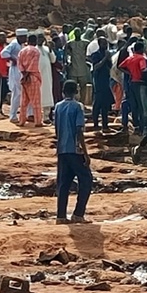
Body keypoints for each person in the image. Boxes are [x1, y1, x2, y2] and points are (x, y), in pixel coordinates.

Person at [54, 81, 92, 224]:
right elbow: (79, 131)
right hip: (75, 150)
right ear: (76, 91)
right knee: (86, 180)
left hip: (62, 149)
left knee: (64, 183)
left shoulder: (58, 106)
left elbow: (56, 129)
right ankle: (78, 213)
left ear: (63, 91)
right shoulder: (78, 107)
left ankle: (61, 216)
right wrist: (85, 153)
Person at [120, 42, 147, 134]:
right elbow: (143, 69)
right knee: (141, 106)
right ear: (141, 49)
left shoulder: (130, 58)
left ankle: (136, 125)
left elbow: (120, 66)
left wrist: (129, 73)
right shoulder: (141, 59)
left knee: (134, 105)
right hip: (140, 83)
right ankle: (142, 127)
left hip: (131, 82)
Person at [2, 29, 28, 123]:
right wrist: (13, 59)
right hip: (15, 70)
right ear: (19, 37)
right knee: (16, 93)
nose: (25, 39)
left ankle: (26, 114)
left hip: (21, 70)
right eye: (24, 37)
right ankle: (13, 116)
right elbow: (3, 53)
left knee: (24, 92)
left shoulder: (22, 45)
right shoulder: (14, 44)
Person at [18, 34, 43, 127]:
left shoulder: (22, 51)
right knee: (36, 101)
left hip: (24, 77)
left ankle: (21, 121)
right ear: (35, 41)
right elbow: (33, 65)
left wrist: (24, 75)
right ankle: (38, 121)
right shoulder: (36, 51)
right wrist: (27, 74)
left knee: (24, 101)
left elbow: (19, 64)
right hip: (32, 77)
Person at [90, 37, 114, 132]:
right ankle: (95, 123)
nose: (105, 45)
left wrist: (109, 59)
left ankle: (105, 124)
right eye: (104, 44)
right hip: (98, 81)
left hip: (105, 80)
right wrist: (104, 58)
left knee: (105, 104)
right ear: (99, 44)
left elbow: (110, 66)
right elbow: (96, 67)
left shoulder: (107, 54)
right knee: (97, 103)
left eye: (106, 44)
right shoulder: (95, 55)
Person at [67, 28, 91, 104]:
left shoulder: (85, 43)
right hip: (73, 68)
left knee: (83, 87)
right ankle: (73, 101)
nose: (77, 34)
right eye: (76, 32)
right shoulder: (70, 43)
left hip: (82, 68)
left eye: (78, 32)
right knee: (73, 87)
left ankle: (82, 102)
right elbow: (67, 54)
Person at [36, 34, 56, 122]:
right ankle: (37, 116)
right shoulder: (34, 49)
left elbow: (53, 60)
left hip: (47, 76)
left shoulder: (47, 49)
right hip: (38, 75)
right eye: (39, 39)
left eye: (42, 39)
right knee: (38, 95)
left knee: (47, 95)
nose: (40, 40)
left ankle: (46, 117)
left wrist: (51, 50)